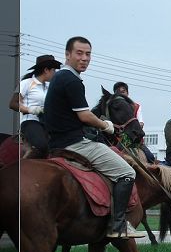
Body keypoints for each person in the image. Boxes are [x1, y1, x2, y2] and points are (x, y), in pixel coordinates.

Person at [43, 36, 144, 239]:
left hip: (56, 141)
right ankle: (118, 226)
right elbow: (84, 115)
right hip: (74, 144)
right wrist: (106, 125)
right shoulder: (72, 80)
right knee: (126, 172)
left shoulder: (59, 78)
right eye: (79, 53)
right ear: (67, 54)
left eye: (88, 54)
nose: (84, 58)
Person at [8, 55, 62, 158]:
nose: (55, 74)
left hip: (48, 123)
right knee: (41, 145)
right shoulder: (26, 83)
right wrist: (31, 109)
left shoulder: (49, 87)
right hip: (31, 122)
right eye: (54, 70)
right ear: (46, 70)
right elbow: (13, 104)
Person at [113, 81, 155, 163]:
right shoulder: (113, 107)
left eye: (123, 92)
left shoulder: (136, 106)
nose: (121, 94)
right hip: (117, 140)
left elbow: (141, 123)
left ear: (127, 93)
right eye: (118, 92)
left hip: (135, 141)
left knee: (151, 157)